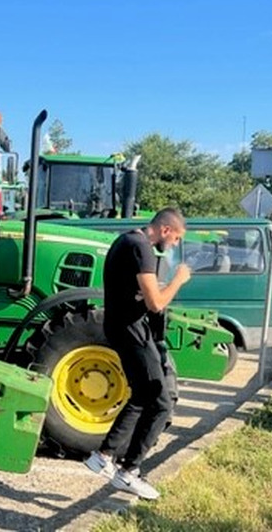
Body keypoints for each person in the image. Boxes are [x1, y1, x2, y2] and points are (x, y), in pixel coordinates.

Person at [84, 207, 190, 500]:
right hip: (130, 331)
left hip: (123, 327)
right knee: (160, 401)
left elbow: (143, 294)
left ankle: (104, 456)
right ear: (165, 230)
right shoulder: (141, 248)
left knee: (143, 395)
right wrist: (179, 280)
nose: (175, 245)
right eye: (177, 238)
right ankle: (129, 472)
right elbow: (156, 303)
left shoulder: (127, 241)